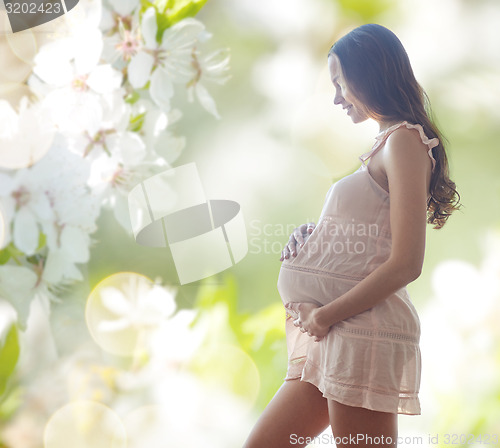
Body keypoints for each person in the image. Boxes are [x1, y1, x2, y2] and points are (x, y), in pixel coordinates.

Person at [242, 23, 461, 448]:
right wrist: (315, 238)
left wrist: (324, 315)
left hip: (360, 330)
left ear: (369, 75)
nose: (336, 97)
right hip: (340, 333)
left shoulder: (404, 142)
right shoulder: (385, 145)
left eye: (340, 82)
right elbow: (371, 237)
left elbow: (407, 262)